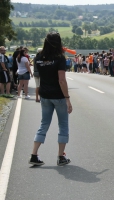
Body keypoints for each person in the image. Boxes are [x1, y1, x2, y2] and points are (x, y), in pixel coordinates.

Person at [28, 31, 72, 166]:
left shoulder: (39, 57)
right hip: (58, 95)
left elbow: (38, 75)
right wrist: (67, 98)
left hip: (45, 94)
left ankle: (34, 154)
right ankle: (60, 157)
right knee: (63, 125)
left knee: (44, 124)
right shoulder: (59, 58)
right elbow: (62, 80)